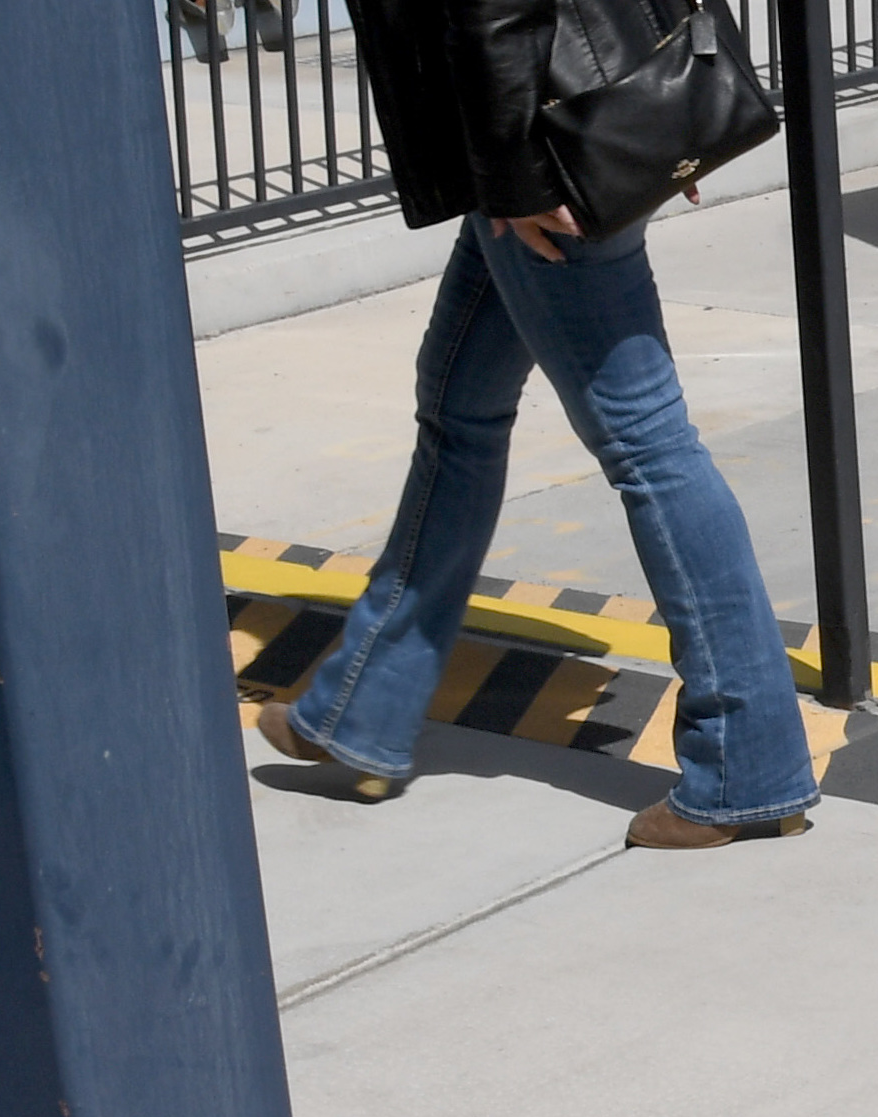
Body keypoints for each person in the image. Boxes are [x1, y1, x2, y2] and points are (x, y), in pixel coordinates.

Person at [260, 0, 817, 850]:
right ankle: (360, 710)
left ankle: (748, 767)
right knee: (459, 409)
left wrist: (520, 177)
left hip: (536, 158)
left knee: (648, 443)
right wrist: (659, 97)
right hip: (546, 134)